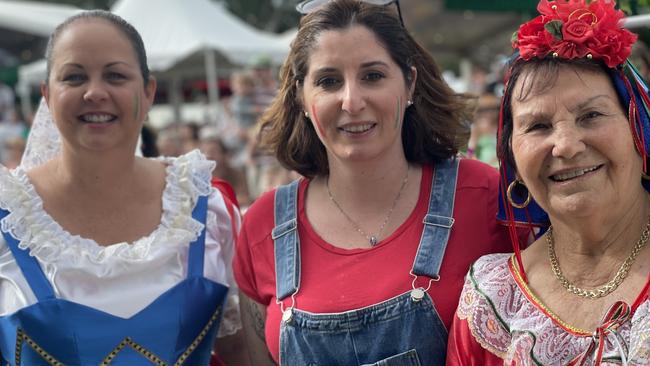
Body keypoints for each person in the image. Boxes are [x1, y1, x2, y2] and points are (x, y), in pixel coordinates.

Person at [232, 0, 521, 364]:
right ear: (301, 97)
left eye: (372, 76)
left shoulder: (485, 197)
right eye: (328, 81)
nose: (351, 101)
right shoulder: (263, 228)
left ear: (409, 84)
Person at [0, 10, 246, 365]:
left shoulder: (209, 211)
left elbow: (241, 352)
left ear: (148, 93)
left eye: (115, 75)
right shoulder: (8, 221)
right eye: (74, 77)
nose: (95, 93)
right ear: (47, 96)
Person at [447, 0, 650, 364]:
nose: (567, 146)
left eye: (591, 115)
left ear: (640, 128)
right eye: (538, 126)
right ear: (512, 158)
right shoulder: (493, 300)